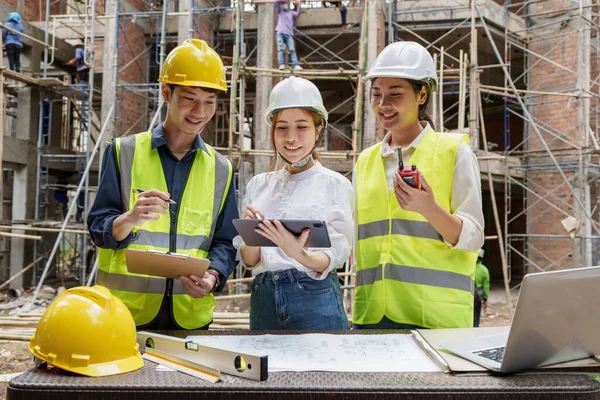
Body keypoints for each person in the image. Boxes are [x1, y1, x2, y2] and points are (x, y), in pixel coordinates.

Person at [88, 39, 238, 330]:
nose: (200, 111)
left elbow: (226, 242)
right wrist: (129, 218)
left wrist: (213, 276)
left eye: (209, 101)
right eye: (189, 98)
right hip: (125, 316)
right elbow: (98, 227)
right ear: (166, 93)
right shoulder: (123, 152)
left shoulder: (222, 169)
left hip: (190, 317)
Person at [352, 41, 484, 330]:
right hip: (373, 316)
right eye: (376, 94)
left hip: (436, 321)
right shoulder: (365, 161)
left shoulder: (455, 152)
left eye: (395, 94)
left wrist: (430, 209)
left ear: (422, 94)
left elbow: (474, 237)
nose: (383, 105)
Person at [236, 76, 353, 330]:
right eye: (282, 128)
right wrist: (251, 237)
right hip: (263, 299)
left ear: (318, 129)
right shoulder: (258, 185)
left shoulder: (335, 185)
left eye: (302, 127)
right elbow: (250, 260)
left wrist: (298, 253)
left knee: (322, 369)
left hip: (314, 298)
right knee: (266, 369)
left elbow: (337, 255)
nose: (291, 138)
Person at [275, 0, 303, 71]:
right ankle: (281, 64)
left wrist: (298, 4)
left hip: (289, 33)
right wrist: (284, 0)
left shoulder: (291, 13)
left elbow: (298, 13)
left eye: (285, 4)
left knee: (292, 49)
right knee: (280, 49)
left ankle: (295, 65)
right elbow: (276, 2)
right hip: (280, 32)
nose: (284, 5)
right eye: (283, 4)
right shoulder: (280, 12)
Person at [474, 248, 490, 327]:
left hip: (466, 295)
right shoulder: (484, 270)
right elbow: (486, 286)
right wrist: (485, 299)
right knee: (476, 317)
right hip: (477, 296)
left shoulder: (467, 268)